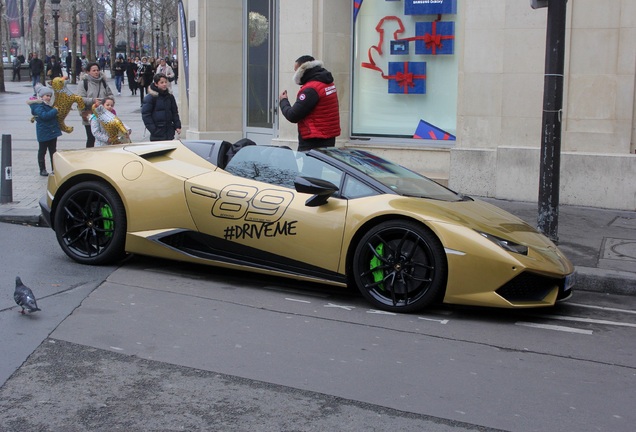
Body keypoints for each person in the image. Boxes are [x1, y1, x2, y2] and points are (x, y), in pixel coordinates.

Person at [279, 55, 341, 151]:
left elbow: (293, 115)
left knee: (309, 166)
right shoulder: (326, 82)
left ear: (302, 70)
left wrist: (283, 101)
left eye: (296, 70)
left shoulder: (311, 89)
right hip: (327, 136)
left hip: (313, 139)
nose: (295, 74)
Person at [27, 85, 62, 176]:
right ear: (41, 96)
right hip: (44, 132)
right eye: (46, 96)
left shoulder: (48, 105)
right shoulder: (38, 106)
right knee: (42, 151)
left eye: (50, 96)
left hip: (52, 131)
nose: (48, 98)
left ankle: (55, 168)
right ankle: (42, 169)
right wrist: (55, 111)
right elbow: (44, 116)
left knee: (53, 151)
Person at [77, 62, 114, 148]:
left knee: (104, 136)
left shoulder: (103, 82)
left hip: (104, 114)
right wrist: (93, 101)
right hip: (90, 114)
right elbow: (79, 99)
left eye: (97, 70)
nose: (96, 72)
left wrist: (107, 101)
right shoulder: (83, 83)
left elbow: (110, 94)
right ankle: (89, 155)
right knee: (91, 137)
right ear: (88, 72)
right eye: (93, 70)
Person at [141, 73, 182, 141]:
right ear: (156, 84)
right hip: (157, 133)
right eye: (162, 82)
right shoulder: (151, 97)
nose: (164, 84)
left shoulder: (170, 97)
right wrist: (154, 130)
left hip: (169, 132)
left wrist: (177, 125)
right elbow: (146, 115)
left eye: (166, 82)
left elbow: (174, 112)